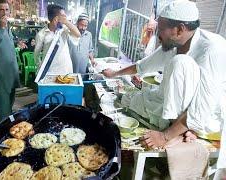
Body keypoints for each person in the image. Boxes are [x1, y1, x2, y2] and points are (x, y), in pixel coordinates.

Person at [103, 0, 226, 172]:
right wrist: (114, 73)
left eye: (161, 30)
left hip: (206, 115)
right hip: (178, 109)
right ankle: (176, 126)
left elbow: (201, 109)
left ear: (180, 29)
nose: (157, 34)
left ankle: (177, 131)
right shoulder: (176, 42)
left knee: (180, 63)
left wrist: (164, 136)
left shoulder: (213, 49)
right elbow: (142, 66)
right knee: (132, 98)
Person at [34, 4, 80, 74]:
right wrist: (40, 68)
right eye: (63, 16)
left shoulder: (64, 30)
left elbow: (77, 34)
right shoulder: (42, 34)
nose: (65, 18)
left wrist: (66, 22)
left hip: (65, 70)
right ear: (56, 19)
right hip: (49, 72)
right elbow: (36, 54)